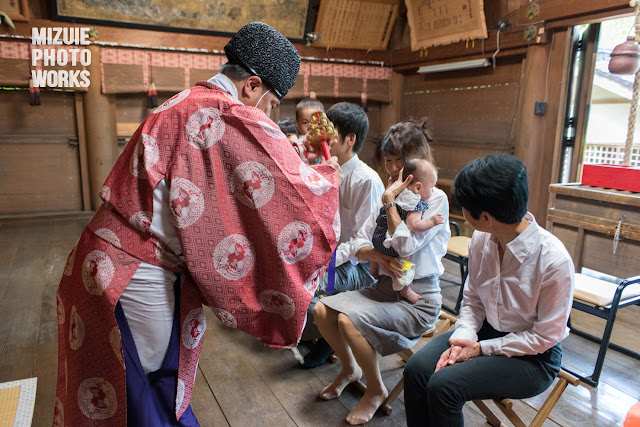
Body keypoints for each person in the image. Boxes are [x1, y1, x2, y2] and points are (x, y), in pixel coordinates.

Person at [54, 22, 341, 426]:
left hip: (105, 256)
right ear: (252, 86)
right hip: (136, 270)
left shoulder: (188, 100)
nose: (270, 112)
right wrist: (328, 178)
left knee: (120, 382)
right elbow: (296, 190)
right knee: (147, 384)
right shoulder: (229, 113)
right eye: (272, 101)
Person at [403, 153, 575, 427]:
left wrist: (482, 349)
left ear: (485, 217)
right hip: (484, 331)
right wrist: (463, 338)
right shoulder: (482, 239)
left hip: (534, 357)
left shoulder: (553, 260)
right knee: (417, 370)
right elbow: (473, 300)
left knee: (444, 386)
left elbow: (545, 336)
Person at [314, 118, 450, 425]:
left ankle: (375, 391)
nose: (391, 170)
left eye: (398, 163)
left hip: (419, 299)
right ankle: (350, 369)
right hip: (383, 288)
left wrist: (390, 206)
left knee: (350, 322)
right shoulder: (390, 192)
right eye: (387, 162)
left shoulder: (433, 198)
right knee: (323, 311)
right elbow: (359, 241)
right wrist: (374, 251)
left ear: (417, 164)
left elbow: (405, 248)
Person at [300, 102, 385, 368]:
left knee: (304, 289)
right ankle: (328, 330)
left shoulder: (366, 181)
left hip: (357, 267)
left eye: (331, 132)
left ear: (350, 139)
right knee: (288, 278)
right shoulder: (326, 168)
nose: (325, 138)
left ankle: (332, 336)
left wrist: (326, 262)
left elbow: (364, 243)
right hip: (331, 255)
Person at [369, 158, 445, 304]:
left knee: (379, 250)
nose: (432, 192)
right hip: (390, 242)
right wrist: (431, 222)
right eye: (431, 188)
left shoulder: (396, 193)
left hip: (378, 238)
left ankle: (374, 269)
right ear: (417, 187)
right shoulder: (415, 202)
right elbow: (413, 225)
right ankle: (405, 289)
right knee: (406, 258)